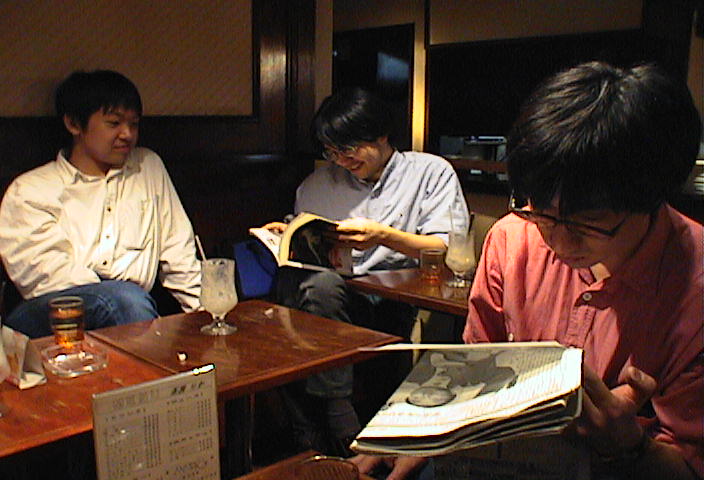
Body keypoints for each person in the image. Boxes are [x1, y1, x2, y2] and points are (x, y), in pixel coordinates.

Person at [354, 61, 703, 480]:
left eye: (588, 223)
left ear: (652, 198)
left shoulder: (694, 285)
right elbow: (473, 372)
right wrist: (430, 436)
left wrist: (629, 447)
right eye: (542, 212)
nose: (558, 244)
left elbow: (689, 465)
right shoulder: (513, 239)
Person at [261, 87, 469, 458]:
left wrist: (384, 236)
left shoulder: (430, 172)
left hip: (390, 300)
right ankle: (328, 424)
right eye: (331, 152)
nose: (341, 161)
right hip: (325, 296)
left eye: (349, 149)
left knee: (313, 300)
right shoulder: (317, 185)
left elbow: (446, 250)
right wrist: (286, 236)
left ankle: (323, 426)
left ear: (382, 135)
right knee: (294, 300)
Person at [0, 70, 201, 338]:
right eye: (114, 123)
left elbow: (179, 252)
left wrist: (208, 314)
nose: (127, 134)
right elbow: (46, 276)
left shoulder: (147, 167)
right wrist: (115, 293)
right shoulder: (31, 190)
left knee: (129, 302)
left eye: (134, 124)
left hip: (133, 309)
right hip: (51, 312)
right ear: (74, 124)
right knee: (125, 300)